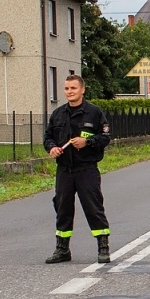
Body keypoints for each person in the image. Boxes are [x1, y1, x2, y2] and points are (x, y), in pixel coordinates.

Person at [43, 74, 112, 264]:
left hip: (86, 169)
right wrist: (52, 148)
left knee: (93, 207)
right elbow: (47, 138)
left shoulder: (94, 113)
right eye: (66, 89)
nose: (69, 92)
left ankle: (103, 247)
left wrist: (87, 141)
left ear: (82, 89)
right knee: (62, 208)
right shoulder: (57, 114)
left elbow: (105, 138)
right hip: (64, 170)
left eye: (73, 88)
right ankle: (62, 249)